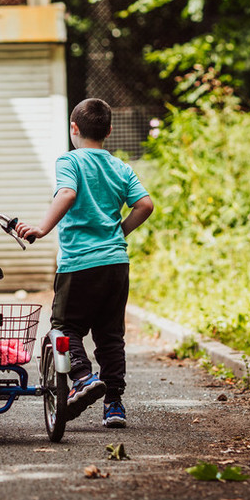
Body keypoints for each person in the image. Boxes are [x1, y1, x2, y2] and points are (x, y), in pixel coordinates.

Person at [15, 98, 154, 428]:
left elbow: (67, 194)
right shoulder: (120, 167)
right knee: (110, 336)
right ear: (108, 131)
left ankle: (82, 378)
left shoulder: (70, 161)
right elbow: (145, 205)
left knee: (63, 328)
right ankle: (115, 405)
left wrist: (41, 228)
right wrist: (119, 232)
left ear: (73, 129)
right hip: (116, 263)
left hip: (79, 264)